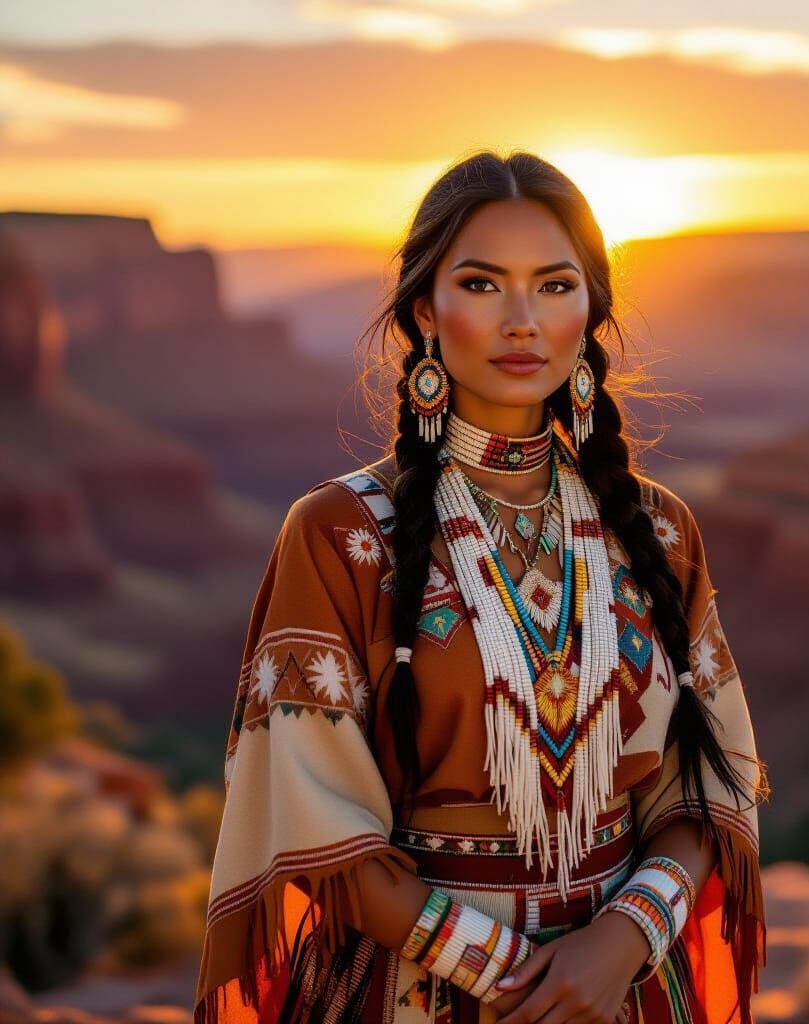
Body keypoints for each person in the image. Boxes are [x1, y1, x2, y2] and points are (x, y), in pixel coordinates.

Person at [194, 150, 769, 1024]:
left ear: (591, 310)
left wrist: (620, 943)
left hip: (630, 988)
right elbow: (316, 826)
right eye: (482, 284)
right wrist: (517, 977)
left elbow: (705, 785)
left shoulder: (657, 532)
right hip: (412, 992)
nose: (521, 322)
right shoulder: (342, 536)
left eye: (553, 285)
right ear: (425, 310)